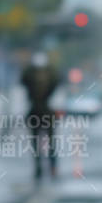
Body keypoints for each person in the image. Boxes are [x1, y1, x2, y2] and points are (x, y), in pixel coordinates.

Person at [20, 51, 60, 180]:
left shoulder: (31, 75)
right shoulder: (50, 75)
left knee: (38, 143)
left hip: (37, 112)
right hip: (43, 112)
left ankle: (42, 168)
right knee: (48, 143)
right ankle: (50, 168)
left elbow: (23, 81)